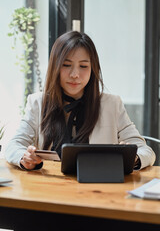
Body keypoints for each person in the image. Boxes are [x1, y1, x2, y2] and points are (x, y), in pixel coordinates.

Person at [5, 31, 156, 171]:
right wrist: (25, 158)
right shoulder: (37, 102)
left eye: (83, 66)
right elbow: (13, 145)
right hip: (49, 187)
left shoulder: (111, 104)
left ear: (93, 69)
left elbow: (145, 151)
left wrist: (132, 158)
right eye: (66, 65)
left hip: (99, 188)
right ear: (55, 67)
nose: (75, 74)